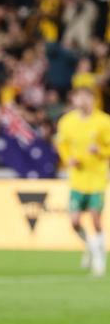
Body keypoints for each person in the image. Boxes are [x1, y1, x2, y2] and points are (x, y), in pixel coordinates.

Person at [56, 85, 110, 277]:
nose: (82, 101)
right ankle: (90, 245)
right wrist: (68, 159)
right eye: (79, 97)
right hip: (77, 180)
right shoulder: (67, 122)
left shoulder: (104, 122)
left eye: (87, 97)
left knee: (96, 219)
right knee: (75, 222)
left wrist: (101, 152)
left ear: (93, 100)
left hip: (96, 179)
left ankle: (99, 257)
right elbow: (62, 144)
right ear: (74, 99)